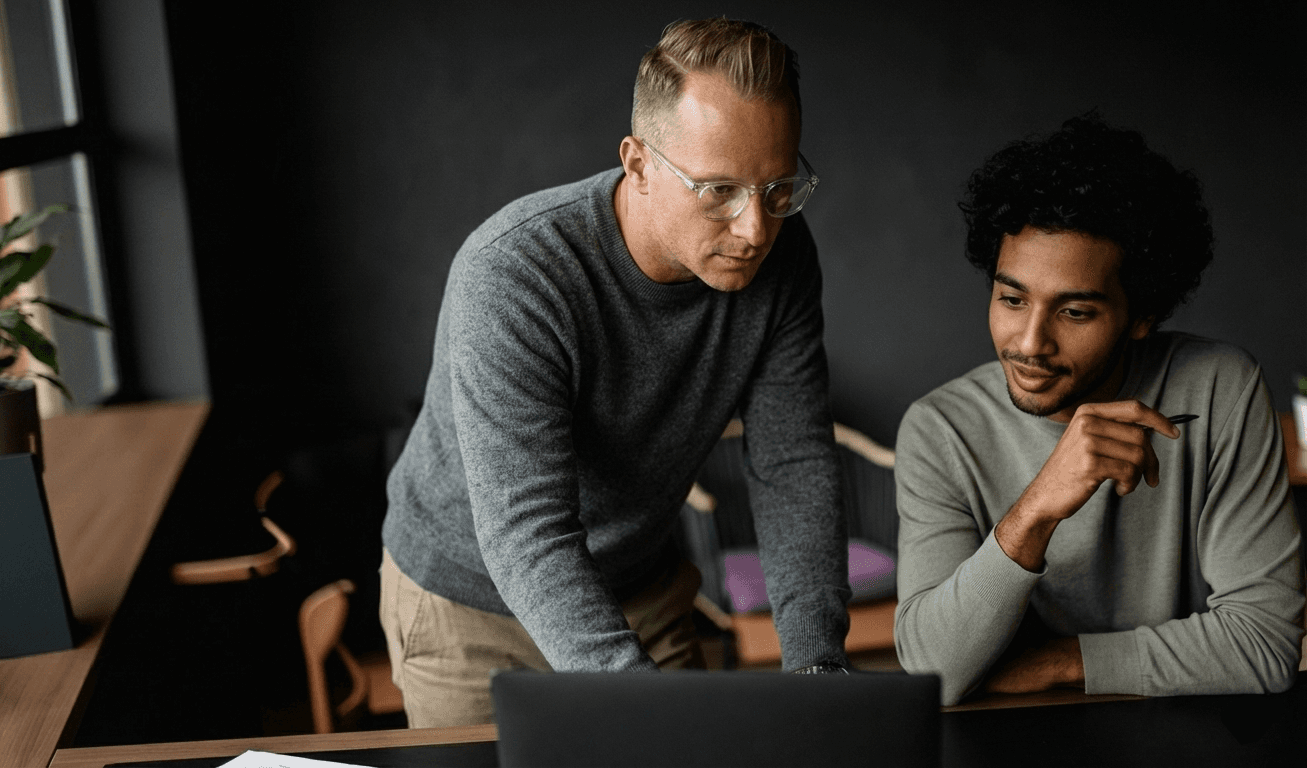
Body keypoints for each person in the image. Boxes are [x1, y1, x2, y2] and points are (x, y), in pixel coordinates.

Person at [379, 17, 853, 728]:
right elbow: (527, 531)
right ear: (637, 164)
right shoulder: (513, 274)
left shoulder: (780, 254)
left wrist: (817, 665)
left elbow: (792, 463)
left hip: (639, 581)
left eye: (778, 187)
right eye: (718, 190)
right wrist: (639, 709)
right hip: (468, 608)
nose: (755, 228)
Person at [893, 113, 1304, 706]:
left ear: (1142, 316)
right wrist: (1035, 510)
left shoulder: (1219, 389)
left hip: (1189, 739)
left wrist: (1063, 662)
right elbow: (933, 673)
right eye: (1012, 299)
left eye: (1074, 312)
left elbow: (1264, 645)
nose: (1030, 341)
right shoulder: (940, 430)